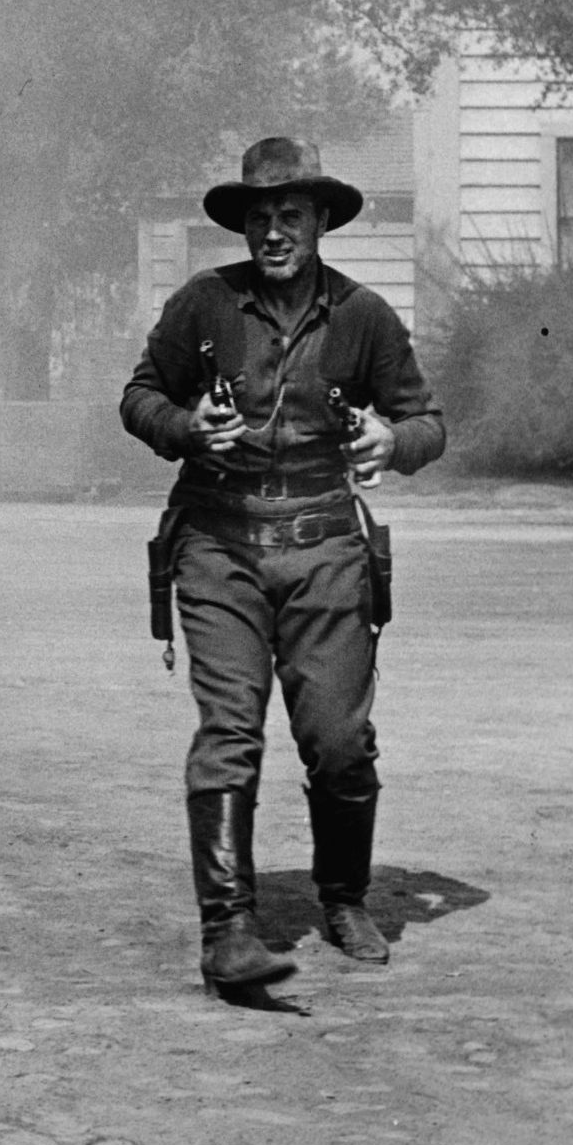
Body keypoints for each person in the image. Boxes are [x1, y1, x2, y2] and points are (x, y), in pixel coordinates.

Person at [121, 136, 443, 994]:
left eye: (289, 214)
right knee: (228, 731)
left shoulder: (364, 315)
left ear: (320, 220)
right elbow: (139, 395)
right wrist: (184, 427)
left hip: (324, 545)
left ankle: (343, 896)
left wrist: (393, 440)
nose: (272, 231)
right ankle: (227, 928)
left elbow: (426, 421)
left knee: (338, 742)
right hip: (217, 542)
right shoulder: (203, 303)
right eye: (258, 216)